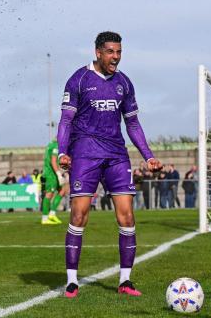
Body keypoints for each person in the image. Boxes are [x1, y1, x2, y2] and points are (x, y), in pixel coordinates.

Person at [57, 31, 162, 298]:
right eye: (111, 52)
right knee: (79, 215)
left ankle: (125, 281)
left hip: (116, 154)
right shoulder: (78, 79)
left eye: (119, 52)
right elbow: (66, 121)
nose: (116, 57)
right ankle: (72, 281)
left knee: (126, 215)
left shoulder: (124, 83)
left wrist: (148, 155)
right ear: (98, 53)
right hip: (85, 154)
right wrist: (62, 152)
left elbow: (133, 124)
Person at [41, 139, 69, 225]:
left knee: (63, 191)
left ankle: (52, 214)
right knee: (49, 194)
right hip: (51, 174)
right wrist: (58, 174)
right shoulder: (56, 146)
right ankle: (45, 218)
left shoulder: (51, 144)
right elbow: (53, 161)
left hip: (53, 173)